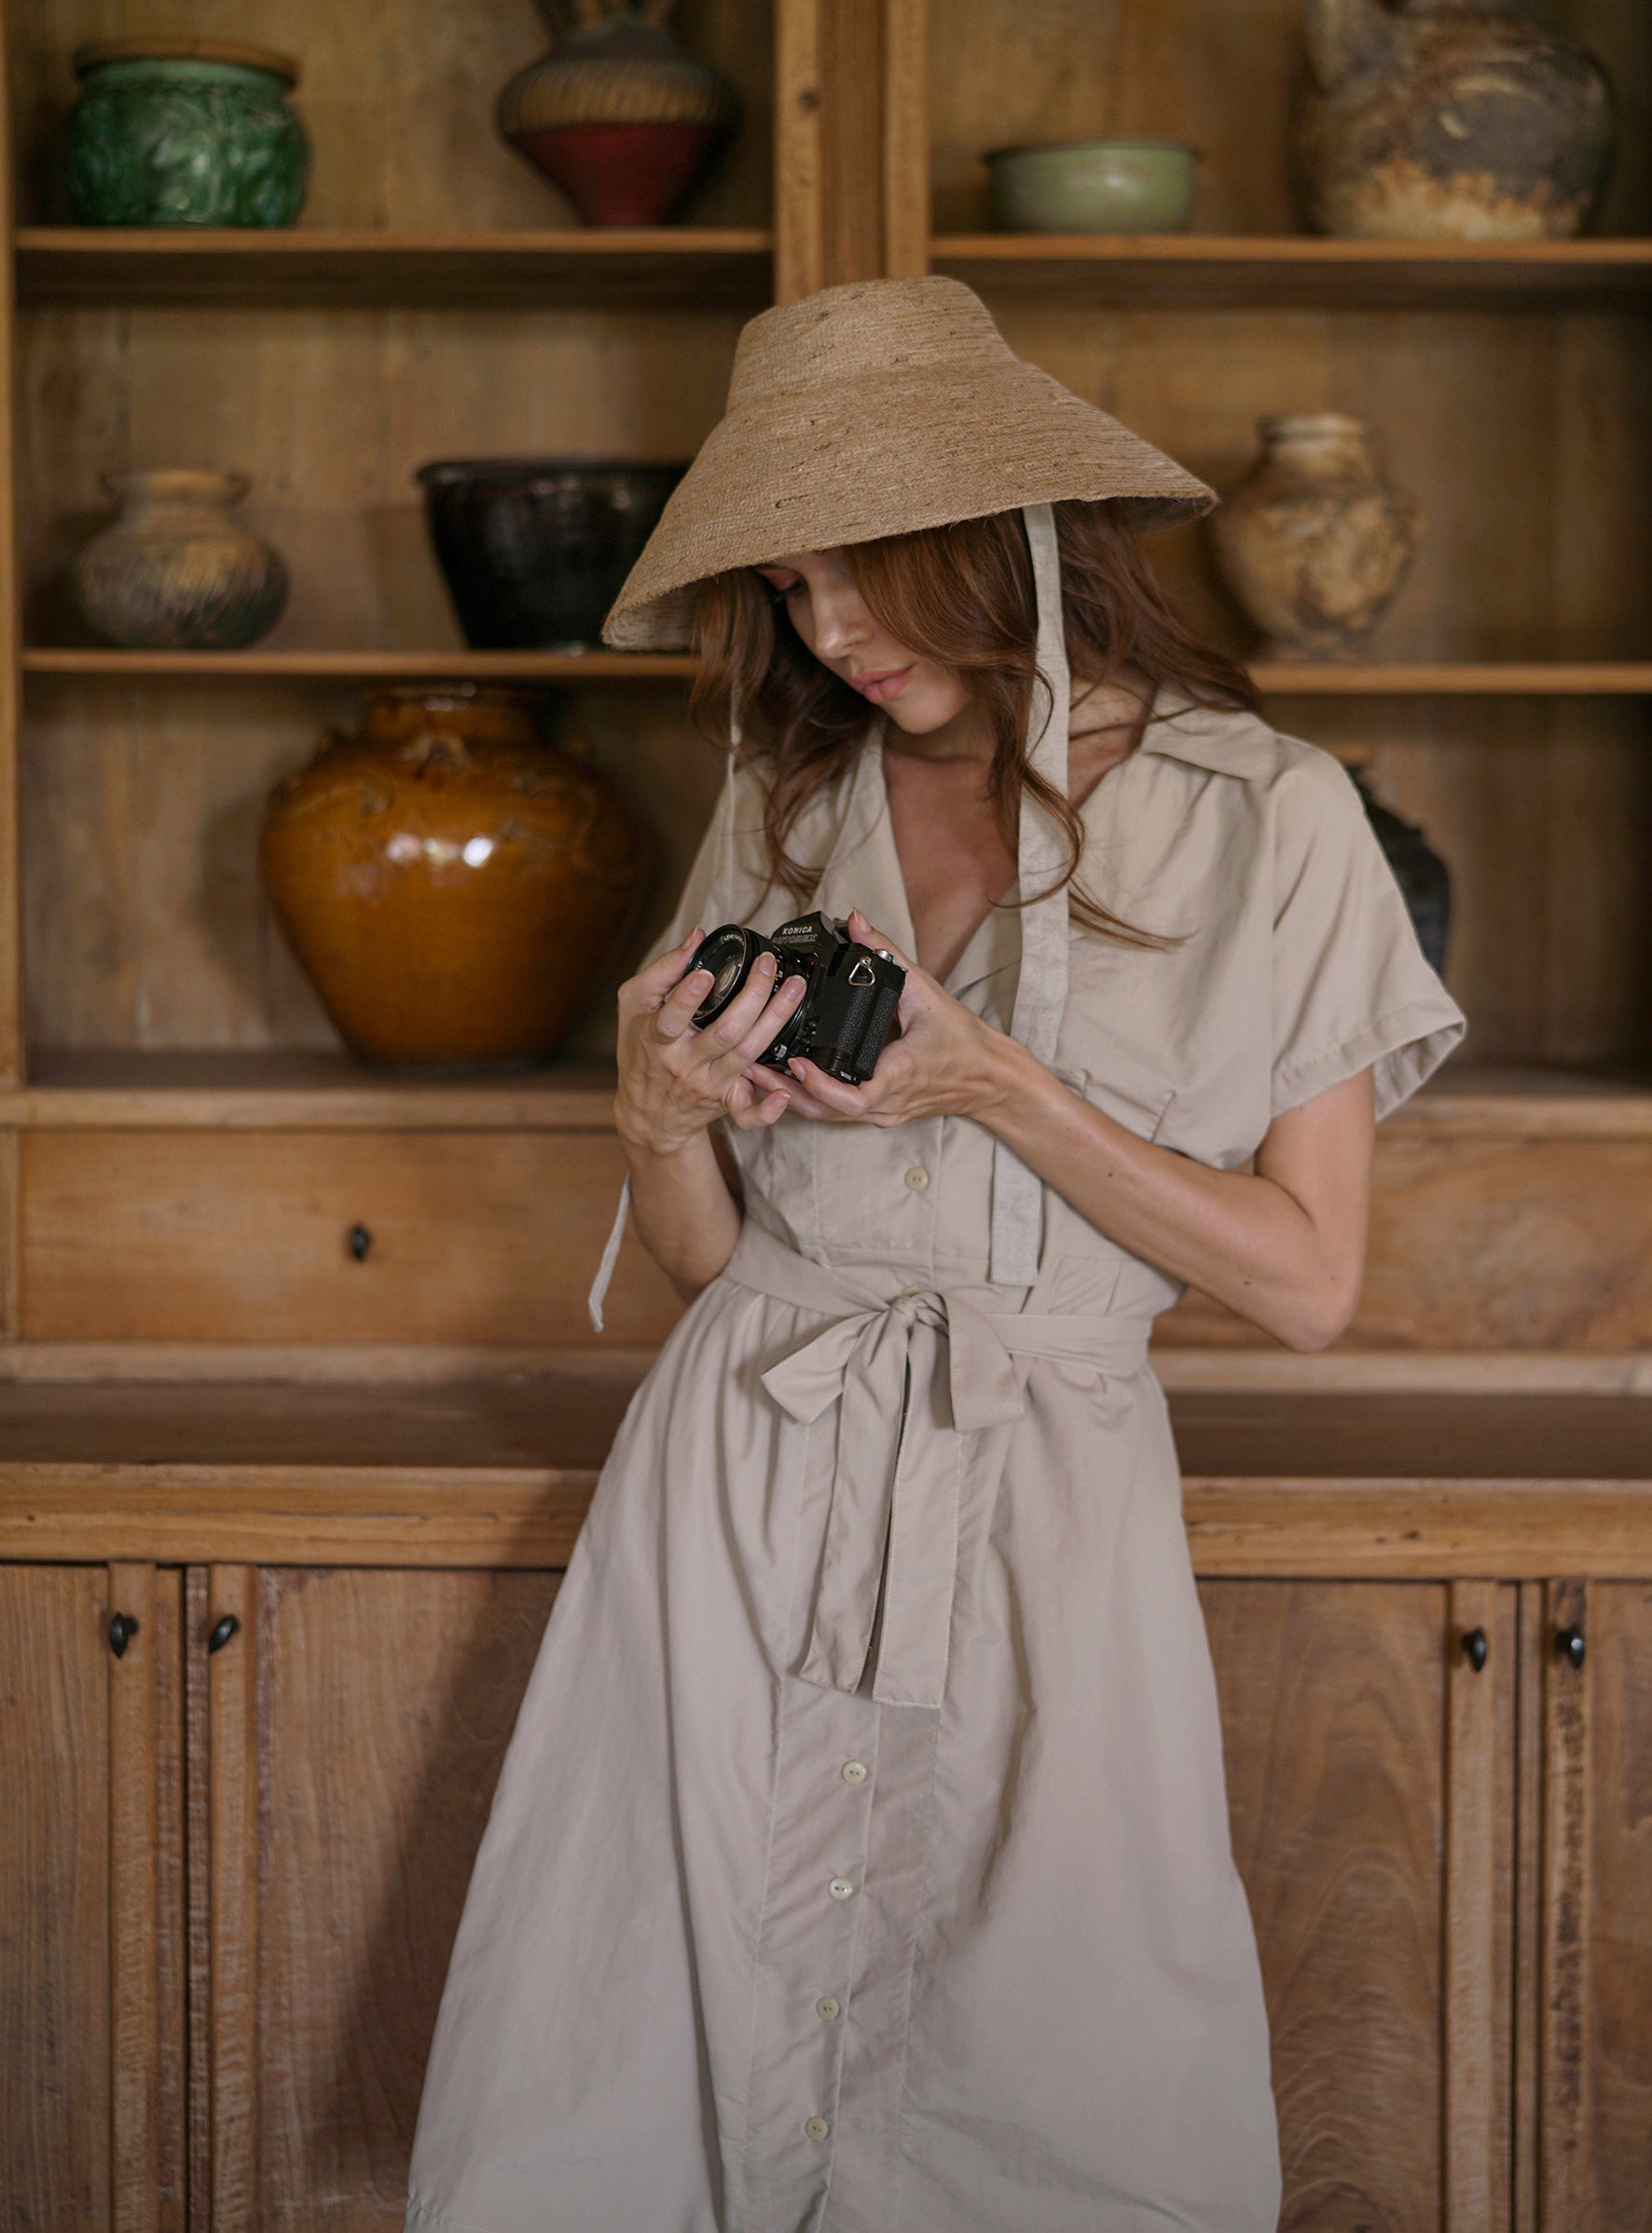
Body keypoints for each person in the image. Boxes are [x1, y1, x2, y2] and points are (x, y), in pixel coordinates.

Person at [406, 277, 1465, 2233]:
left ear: (997, 533)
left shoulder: (1275, 824)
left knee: (1053, 2069)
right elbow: (713, 1266)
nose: (829, 630)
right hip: (735, 1475)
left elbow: (1309, 1282)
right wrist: (651, 1115)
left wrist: (1001, 1090)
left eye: (862, 572)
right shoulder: (790, 799)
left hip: (1041, 1498)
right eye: (793, 586)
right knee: (652, 2037)